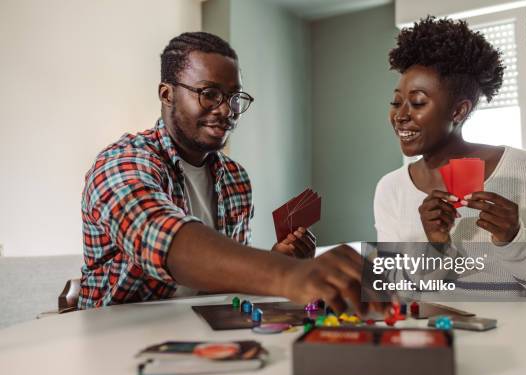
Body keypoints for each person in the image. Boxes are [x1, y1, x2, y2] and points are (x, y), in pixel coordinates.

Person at [79, 32, 375, 314]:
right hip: (117, 337)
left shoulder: (235, 178)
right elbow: (161, 236)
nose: (226, 110)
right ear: (167, 94)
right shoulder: (121, 162)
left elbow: (217, 283)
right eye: (209, 94)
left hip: (203, 329)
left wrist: (276, 260)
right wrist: (288, 274)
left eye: (234, 98)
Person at [374, 17, 526, 300]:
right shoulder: (391, 189)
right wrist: (435, 246)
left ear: (459, 111)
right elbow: (392, 292)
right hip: (441, 341)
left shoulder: (521, 169)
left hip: (524, 342)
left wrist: (514, 239)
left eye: (418, 102)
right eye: (396, 102)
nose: (400, 116)